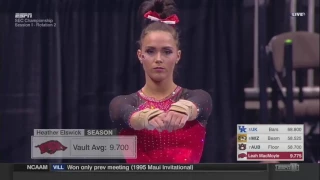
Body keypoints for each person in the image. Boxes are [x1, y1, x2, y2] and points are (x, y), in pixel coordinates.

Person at [109, 0, 212, 163]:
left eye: (166, 51)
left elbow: (202, 103)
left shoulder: (196, 96)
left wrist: (188, 109)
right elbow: (122, 112)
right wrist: (140, 118)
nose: (158, 59)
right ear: (140, 55)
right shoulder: (123, 102)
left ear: (177, 56)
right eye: (150, 51)